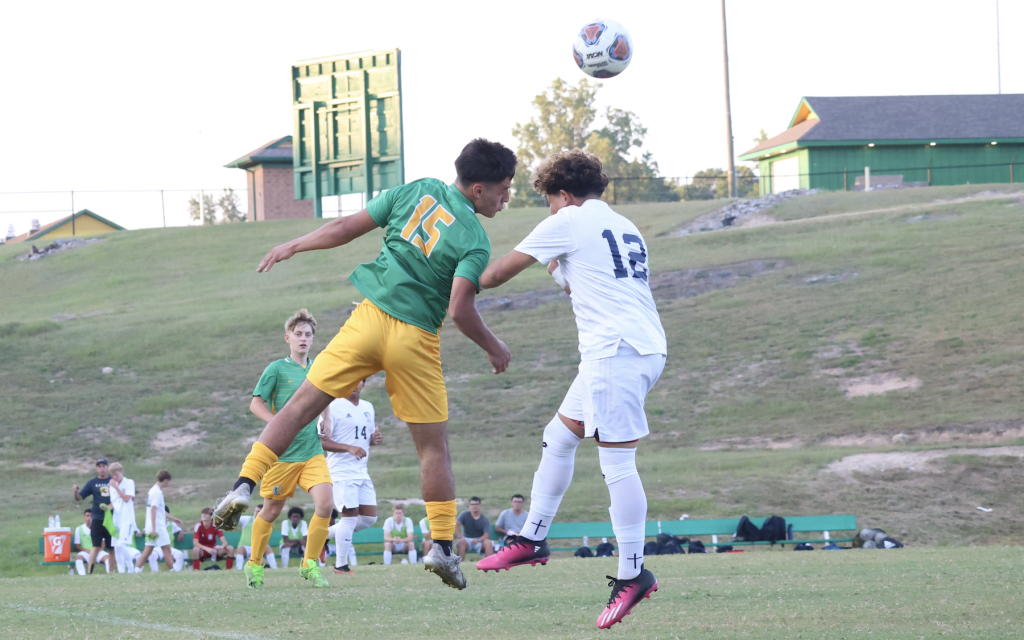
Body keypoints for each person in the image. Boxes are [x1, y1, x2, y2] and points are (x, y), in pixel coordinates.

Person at [213, 139, 518, 591]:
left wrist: (294, 244)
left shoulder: (415, 190)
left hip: (368, 319)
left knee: (298, 409)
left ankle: (242, 486)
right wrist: (493, 346)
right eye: (503, 189)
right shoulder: (475, 238)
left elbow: (345, 227)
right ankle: (443, 549)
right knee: (433, 449)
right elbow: (459, 309)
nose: (506, 197)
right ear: (477, 189)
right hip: (414, 338)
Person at [475, 150, 666, 629]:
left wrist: (449, 275)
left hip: (615, 353)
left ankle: (633, 574)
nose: (549, 211)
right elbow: (584, 283)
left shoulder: (569, 219)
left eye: (549, 202)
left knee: (617, 463)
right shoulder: (624, 224)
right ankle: (533, 537)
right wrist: (558, 268)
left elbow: (494, 276)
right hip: (637, 347)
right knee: (558, 437)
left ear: (563, 194)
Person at [232, 309, 333, 589]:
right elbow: (256, 403)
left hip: (311, 451)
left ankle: (310, 564)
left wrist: (327, 418)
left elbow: (324, 399)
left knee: (326, 504)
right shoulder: (276, 368)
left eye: (308, 334)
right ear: (287, 337)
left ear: (313, 339)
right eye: (298, 334)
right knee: (271, 512)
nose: (303, 338)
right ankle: (254, 564)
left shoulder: (318, 369)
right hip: (282, 456)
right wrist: (278, 424)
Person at [320, 379, 381, 575]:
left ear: (363, 384)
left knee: (369, 518)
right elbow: (321, 441)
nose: (354, 383)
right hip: (341, 471)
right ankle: (341, 566)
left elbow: (365, 436)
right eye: (350, 379)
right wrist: (347, 447)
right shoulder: (331, 407)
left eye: (359, 380)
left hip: (362, 471)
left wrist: (373, 440)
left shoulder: (367, 407)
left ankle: (320, 536)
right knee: (348, 519)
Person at [72, 458, 115, 574]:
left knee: (112, 547)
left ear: (108, 467)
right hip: (97, 518)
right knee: (96, 546)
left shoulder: (113, 481)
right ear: (96, 469)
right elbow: (79, 498)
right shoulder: (92, 483)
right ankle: (90, 572)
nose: (102, 469)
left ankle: (112, 572)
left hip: (111, 518)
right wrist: (75, 491)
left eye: (103, 466)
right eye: (99, 466)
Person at [135, 470, 176, 572]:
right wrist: (154, 528)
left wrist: (173, 518)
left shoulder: (152, 490)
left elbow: (159, 510)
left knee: (147, 551)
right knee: (167, 549)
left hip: (150, 525)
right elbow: (153, 510)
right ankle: (173, 570)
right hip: (157, 526)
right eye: (168, 481)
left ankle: (136, 570)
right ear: (165, 480)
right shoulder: (157, 492)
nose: (168, 484)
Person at [107, 462, 138, 574]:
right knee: (116, 547)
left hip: (127, 518)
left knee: (121, 545)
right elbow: (113, 503)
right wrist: (106, 508)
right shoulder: (112, 486)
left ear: (121, 471)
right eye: (112, 475)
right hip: (117, 519)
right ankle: (121, 571)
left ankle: (130, 568)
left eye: (116, 474)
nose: (114, 477)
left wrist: (116, 487)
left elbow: (126, 498)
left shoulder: (129, 483)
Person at [235, 504, 278, 570]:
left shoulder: (266, 523)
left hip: (258, 548)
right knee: (240, 548)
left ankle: (275, 568)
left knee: (267, 547)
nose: (256, 513)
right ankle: (238, 569)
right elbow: (236, 520)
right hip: (246, 547)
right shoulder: (247, 519)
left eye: (259, 511)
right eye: (256, 511)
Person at [73, 509, 110, 575]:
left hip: (98, 552)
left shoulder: (100, 527)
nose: (89, 518)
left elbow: (103, 544)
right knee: (79, 558)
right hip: (86, 552)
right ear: (84, 518)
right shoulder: (79, 529)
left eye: (91, 516)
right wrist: (88, 551)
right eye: (87, 516)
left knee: (107, 558)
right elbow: (77, 546)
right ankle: (83, 575)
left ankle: (110, 574)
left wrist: (96, 551)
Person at [150, 506, 185, 572]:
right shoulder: (154, 525)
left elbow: (179, 529)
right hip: (158, 548)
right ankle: (155, 572)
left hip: (169, 548)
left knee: (179, 554)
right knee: (152, 554)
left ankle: (176, 571)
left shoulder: (172, 525)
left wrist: (181, 532)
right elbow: (146, 531)